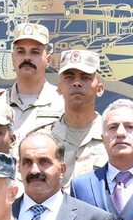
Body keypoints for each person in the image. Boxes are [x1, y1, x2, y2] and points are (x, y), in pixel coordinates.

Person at [0, 21, 64, 135]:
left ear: (48, 60)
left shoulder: (63, 102)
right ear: (13, 58)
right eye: (21, 51)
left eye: (35, 52)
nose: (27, 57)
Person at [45, 50, 109, 180]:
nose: (77, 83)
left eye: (85, 77)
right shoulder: (44, 137)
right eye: (69, 77)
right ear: (59, 88)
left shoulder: (113, 137)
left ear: (99, 89)